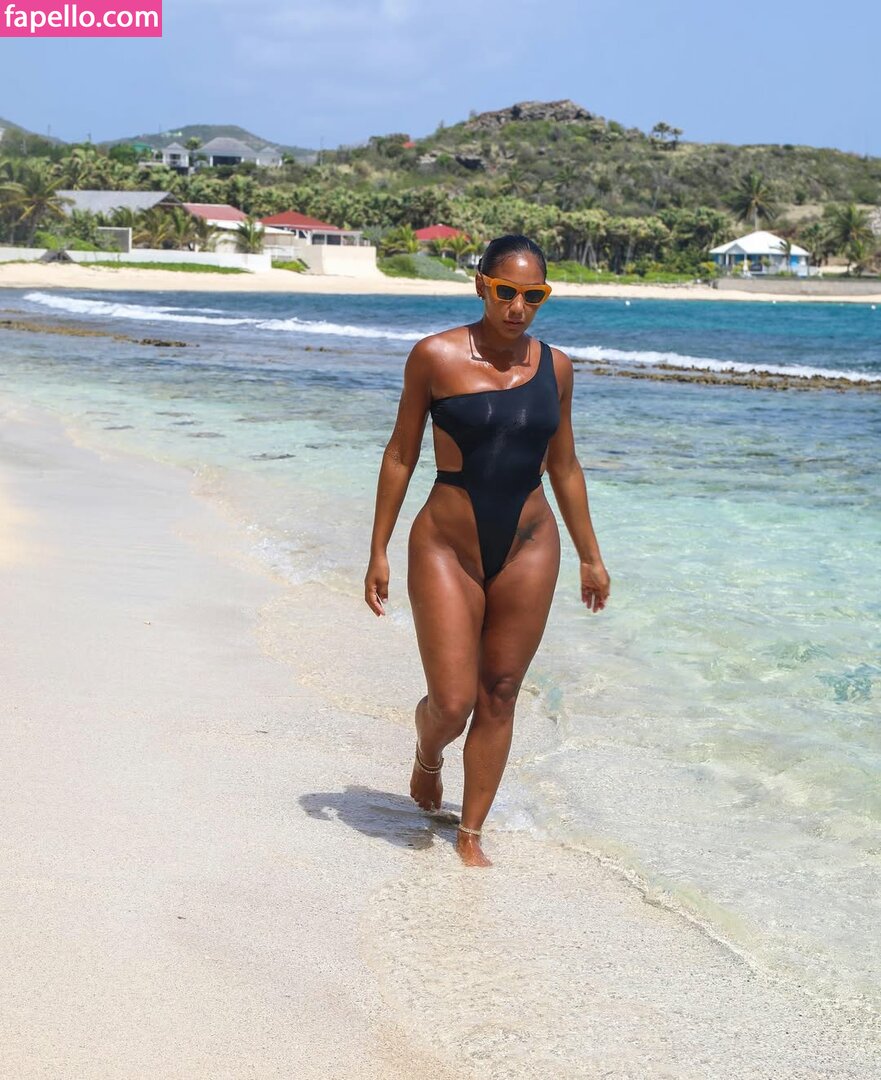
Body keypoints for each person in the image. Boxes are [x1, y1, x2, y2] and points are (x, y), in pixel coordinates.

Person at [364, 234, 610, 867]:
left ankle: (470, 833)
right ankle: (428, 753)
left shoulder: (557, 368)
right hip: (446, 546)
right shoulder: (435, 356)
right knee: (453, 703)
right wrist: (378, 549)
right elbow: (401, 453)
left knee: (500, 691)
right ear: (481, 286)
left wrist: (590, 555)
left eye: (534, 296)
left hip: (530, 544)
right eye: (506, 292)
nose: (518, 307)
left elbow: (565, 465)